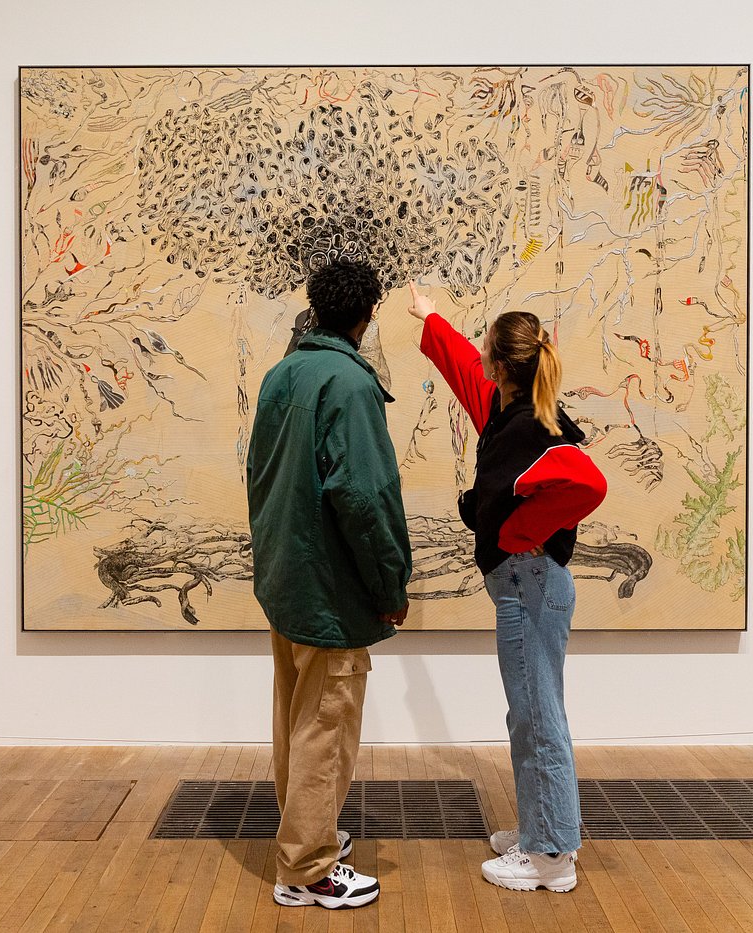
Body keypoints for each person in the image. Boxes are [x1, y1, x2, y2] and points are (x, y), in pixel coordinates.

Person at [407, 281, 606, 893]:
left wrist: (522, 531)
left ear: (502, 364)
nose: (480, 359)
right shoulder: (509, 410)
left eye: (486, 349)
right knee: (529, 711)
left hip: (530, 585)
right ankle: (541, 828)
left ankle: (551, 855)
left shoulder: (528, 428)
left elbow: (589, 484)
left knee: (537, 714)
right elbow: (465, 371)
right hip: (527, 585)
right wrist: (431, 318)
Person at [246, 259, 412, 910]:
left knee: (296, 717)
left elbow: (259, 475)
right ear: (366, 316)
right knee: (326, 724)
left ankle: (305, 837)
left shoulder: (282, 374)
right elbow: (364, 496)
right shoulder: (350, 383)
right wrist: (390, 584)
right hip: (330, 589)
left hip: (286, 578)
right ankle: (309, 869)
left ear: (317, 308)